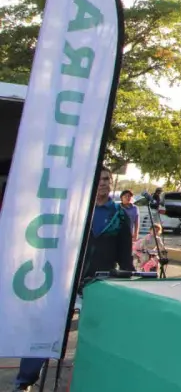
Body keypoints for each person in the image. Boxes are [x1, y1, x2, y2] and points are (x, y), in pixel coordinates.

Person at [16, 167, 133, 392]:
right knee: (45, 330)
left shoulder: (119, 215)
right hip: (63, 283)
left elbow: (125, 256)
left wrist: (128, 280)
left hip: (99, 286)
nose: (103, 183)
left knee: (98, 337)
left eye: (107, 179)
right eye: (98, 179)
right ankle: (24, 382)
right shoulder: (73, 210)